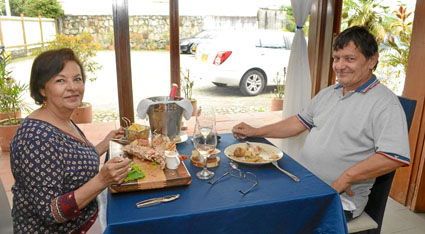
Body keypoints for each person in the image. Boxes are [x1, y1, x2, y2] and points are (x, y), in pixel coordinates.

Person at [232, 26, 410, 221]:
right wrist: (255, 131)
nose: (340, 66)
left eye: (350, 59)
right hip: (303, 184)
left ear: (372, 60)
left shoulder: (385, 103)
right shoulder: (329, 92)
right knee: (246, 200)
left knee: (265, 218)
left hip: (338, 199)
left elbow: (394, 157)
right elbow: (297, 123)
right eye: (337, 58)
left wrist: (347, 177)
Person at [10, 48, 131, 233]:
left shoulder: (61, 118)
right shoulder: (36, 137)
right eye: (60, 80)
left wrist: (105, 143)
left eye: (77, 79)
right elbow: (50, 212)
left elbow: (68, 160)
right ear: (42, 89)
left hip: (89, 215)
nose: (73, 87)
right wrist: (102, 180)